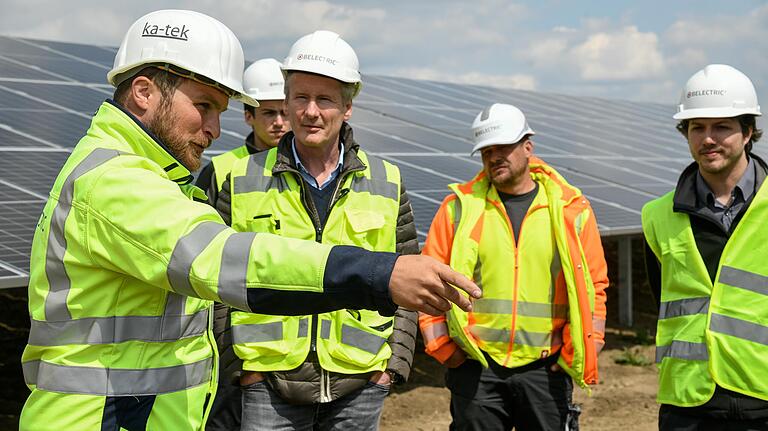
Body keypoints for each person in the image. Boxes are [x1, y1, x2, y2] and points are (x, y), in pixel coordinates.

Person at [18, 10, 480, 431]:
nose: (216, 130)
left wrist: (391, 362)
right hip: (106, 415)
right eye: (203, 106)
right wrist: (379, 273)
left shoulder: (151, 178)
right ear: (143, 92)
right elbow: (226, 262)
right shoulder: (115, 183)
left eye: (219, 111)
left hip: (140, 410)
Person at [211, 29, 419, 431]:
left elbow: (406, 278)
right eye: (300, 97)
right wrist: (240, 369)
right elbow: (213, 282)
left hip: (360, 385)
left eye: (325, 99)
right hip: (268, 386)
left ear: (347, 106)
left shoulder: (387, 181)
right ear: (285, 102)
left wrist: (391, 367)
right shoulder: (239, 179)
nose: (311, 111)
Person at [419, 103, 608, 430]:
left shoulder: (570, 210)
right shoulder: (459, 209)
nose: (495, 156)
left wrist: (579, 351)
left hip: (545, 368)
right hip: (476, 367)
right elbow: (429, 282)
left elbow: (595, 286)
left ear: (528, 147)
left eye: (504, 147)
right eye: (486, 151)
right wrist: (444, 350)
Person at [642, 64, 768, 429]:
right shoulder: (656, 215)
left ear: (747, 133)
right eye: (697, 127)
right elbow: (661, 296)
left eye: (722, 127)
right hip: (687, 401)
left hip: (761, 397)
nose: (707, 138)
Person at [199, 57, 290, 431]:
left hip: (295, 343)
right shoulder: (221, 172)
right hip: (233, 338)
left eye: (285, 112)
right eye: (268, 112)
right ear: (248, 115)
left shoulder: (311, 172)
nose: (280, 122)